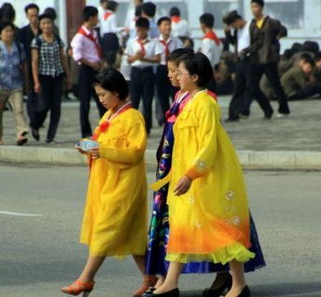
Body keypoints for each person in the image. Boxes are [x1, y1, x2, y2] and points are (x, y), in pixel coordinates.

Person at [142, 49, 266, 297]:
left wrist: (190, 174)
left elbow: (208, 146)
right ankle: (170, 283)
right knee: (181, 226)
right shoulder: (186, 100)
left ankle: (239, 285)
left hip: (207, 178)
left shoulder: (206, 103)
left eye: (181, 72)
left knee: (221, 229)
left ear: (195, 77)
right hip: (186, 178)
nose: (177, 76)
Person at [62, 68, 148, 297]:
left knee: (105, 229)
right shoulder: (109, 115)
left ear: (118, 92)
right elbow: (101, 145)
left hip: (124, 184)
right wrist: (87, 147)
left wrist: (103, 150)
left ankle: (86, 279)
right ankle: (150, 277)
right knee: (132, 235)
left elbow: (136, 152)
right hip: (107, 182)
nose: (100, 100)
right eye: (98, 95)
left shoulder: (133, 117)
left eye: (103, 95)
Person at [30, 13, 71, 143]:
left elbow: (63, 58)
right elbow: (34, 62)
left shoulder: (58, 40)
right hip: (43, 77)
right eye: (44, 23)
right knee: (43, 106)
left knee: (56, 108)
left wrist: (68, 75)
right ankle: (35, 125)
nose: (47, 26)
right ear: (40, 26)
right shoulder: (37, 41)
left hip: (57, 76)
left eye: (49, 23)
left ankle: (50, 136)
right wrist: (36, 81)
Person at [245, 0, 289, 118]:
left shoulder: (271, 22)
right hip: (256, 59)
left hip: (269, 58)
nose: (254, 9)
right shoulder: (252, 24)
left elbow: (283, 30)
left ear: (261, 7)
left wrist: (277, 40)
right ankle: (266, 109)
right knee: (252, 86)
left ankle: (284, 108)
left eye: (256, 6)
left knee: (275, 84)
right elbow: (253, 42)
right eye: (252, 7)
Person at [0, 21, 29, 146]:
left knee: (19, 110)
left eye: (11, 31)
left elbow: (24, 64)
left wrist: (26, 81)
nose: (9, 34)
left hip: (16, 85)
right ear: (0, 34)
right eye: (6, 31)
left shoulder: (19, 46)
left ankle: (21, 134)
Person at [71, 6, 107, 138]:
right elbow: (77, 56)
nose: (97, 20)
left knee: (102, 100)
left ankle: (105, 127)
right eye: (96, 17)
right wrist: (91, 63)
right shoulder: (79, 37)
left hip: (96, 70)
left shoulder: (95, 34)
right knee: (85, 102)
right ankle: (85, 131)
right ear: (91, 18)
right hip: (86, 70)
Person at [126, 17, 162, 134]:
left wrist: (144, 58)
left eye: (142, 30)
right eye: (138, 31)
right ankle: (134, 127)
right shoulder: (132, 42)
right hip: (136, 71)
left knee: (147, 102)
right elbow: (129, 59)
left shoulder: (153, 42)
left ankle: (146, 128)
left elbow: (158, 59)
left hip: (147, 71)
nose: (140, 33)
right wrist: (136, 56)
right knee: (134, 102)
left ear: (147, 30)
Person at [223, 10, 254, 122]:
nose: (233, 27)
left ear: (237, 20)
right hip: (240, 60)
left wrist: (247, 50)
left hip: (250, 59)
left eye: (233, 24)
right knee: (237, 87)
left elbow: (257, 43)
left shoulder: (251, 26)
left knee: (251, 87)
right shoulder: (237, 30)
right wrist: (227, 33)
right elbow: (233, 42)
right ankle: (233, 114)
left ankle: (245, 110)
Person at [155, 17, 183, 126]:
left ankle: (177, 117)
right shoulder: (155, 42)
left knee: (175, 94)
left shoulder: (177, 41)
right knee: (162, 97)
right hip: (161, 69)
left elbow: (182, 56)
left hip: (174, 70)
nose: (168, 27)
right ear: (159, 27)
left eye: (169, 25)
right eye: (165, 25)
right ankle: (167, 119)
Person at [17, 3, 41, 128]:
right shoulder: (22, 32)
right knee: (31, 94)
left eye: (36, 15)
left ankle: (38, 118)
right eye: (31, 16)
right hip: (27, 67)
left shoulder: (44, 30)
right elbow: (19, 50)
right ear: (27, 16)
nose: (34, 18)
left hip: (42, 67)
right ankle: (33, 120)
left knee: (42, 97)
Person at [198, 13, 222, 92]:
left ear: (203, 25)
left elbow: (208, 60)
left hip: (209, 72)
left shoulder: (207, 40)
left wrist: (214, 74)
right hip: (216, 69)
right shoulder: (216, 39)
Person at [100, 1, 121, 68]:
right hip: (111, 37)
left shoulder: (103, 15)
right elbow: (113, 29)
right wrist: (123, 28)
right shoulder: (113, 15)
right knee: (112, 57)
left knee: (107, 57)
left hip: (105, 37)